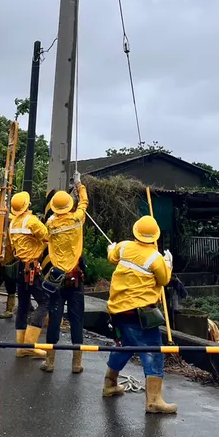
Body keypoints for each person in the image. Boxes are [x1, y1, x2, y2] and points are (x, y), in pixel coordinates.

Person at [102, 215, 177, 415]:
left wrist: (112, 248)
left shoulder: (124, 247)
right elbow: (164, 280)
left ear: (135, 232)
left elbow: (112, 257)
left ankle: (110, 383)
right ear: (155, 237)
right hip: (140, 314)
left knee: (126, 345)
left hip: (118, 310)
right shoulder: (156, 258)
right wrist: (168, 263)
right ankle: (154, 401)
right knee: (152, 351)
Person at [41, 175, 89, 374]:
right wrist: (78, 184)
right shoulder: (77, 219)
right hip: (75, 278)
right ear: (70, 206)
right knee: (77, 320)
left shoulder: (51, 226)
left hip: (56, 277)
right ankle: (76, 363)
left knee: (54, 317)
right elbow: (84, 202)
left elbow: (47, 225)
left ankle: (50, 362)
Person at [8, 190, 50, 358]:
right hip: (32, 267)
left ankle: (20, 347)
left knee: (23, 305)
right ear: (27, 205)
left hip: (20, 268)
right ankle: (29, 345)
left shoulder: (13, 224)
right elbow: (47, 236)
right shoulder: (31, 221)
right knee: (44, 302)